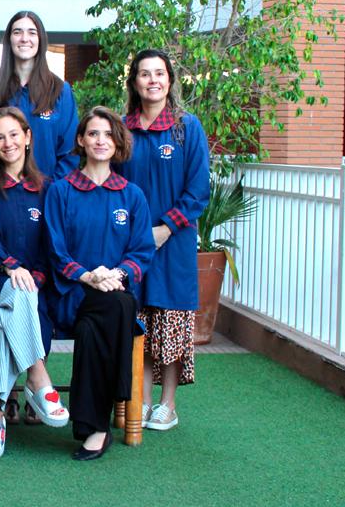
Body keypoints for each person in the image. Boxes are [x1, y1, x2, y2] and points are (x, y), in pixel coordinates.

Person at [44, 107, 154, 461]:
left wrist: (116, 275)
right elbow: (55, 250)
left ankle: (94, 427)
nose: (101, 140)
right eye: (93, 133)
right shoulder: (61, 191)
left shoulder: (132, 195)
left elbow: (142, 251)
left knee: (101, 322)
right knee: (115, 308)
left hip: (114, 293)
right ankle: (112, 405)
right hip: (73, 295)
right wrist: (89, 276)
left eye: (108, 134)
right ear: (81, 140)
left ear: (117, 142)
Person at [0, 107, 69, 460]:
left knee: (6, 318)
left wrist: (32, 277)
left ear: (27, 137)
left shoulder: (47, 188)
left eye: (13, 134)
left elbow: (51, 245)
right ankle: (38, 376)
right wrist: (10, 267)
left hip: (30, 288)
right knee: (18, 296)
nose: (7, 143)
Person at [117, 49, 209, 431]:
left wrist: (166, 228)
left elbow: (198, 190)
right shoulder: (122, 130)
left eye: (159, 73)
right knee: (139, 320)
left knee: (170, 321)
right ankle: (141, 398)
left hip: (175, 244)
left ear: (170, 80)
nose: (152, 80)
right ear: (134, 82)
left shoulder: (187, 128)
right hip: (133, 244)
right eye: (144, 73)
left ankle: (167, 405)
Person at [0, 10, 80, 183]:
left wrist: (52, 191)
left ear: (40, 40)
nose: (24, 38)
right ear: (9, 40)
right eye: (17, 32)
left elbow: (70, 153)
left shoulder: (60, 91)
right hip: (1, 194)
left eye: (32, 32)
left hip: (48, 194)